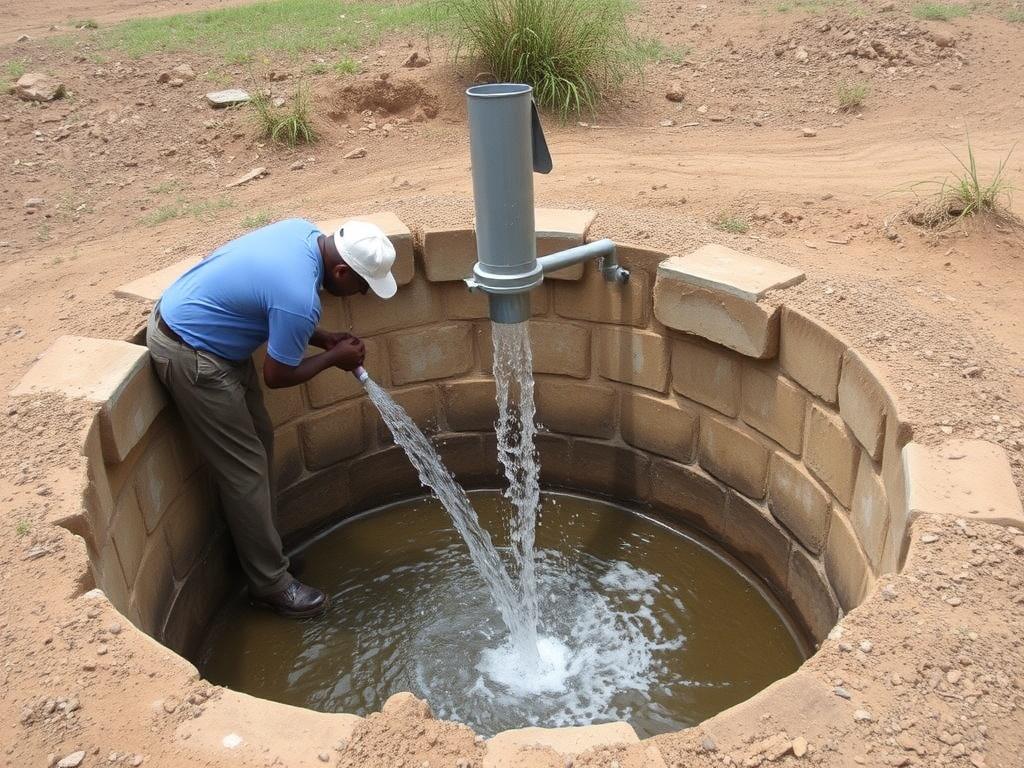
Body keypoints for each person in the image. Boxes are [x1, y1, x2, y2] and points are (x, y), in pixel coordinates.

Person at [146, 218, 397, 618]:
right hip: (192, 351)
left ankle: (262, 557)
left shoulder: (302, 233)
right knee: (244, 472)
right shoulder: (299, 296)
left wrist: (324, 338)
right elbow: (278, 375)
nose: (362, 294)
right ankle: (270, 585)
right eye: (362, 285)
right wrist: (334, 358)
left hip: (209, 334)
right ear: (341, 272)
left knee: (259, 444)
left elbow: (271, 303)